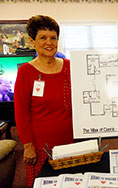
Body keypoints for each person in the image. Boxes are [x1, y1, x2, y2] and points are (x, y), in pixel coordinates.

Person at [14, 15, 74, 187]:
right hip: (42, 147)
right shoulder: (26, 72)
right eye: (43, 38)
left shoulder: (70, 67)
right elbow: (21, 112)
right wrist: (27, 146)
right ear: (32, 41)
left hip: (72, 141)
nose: (49, 42)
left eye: (53, 38)